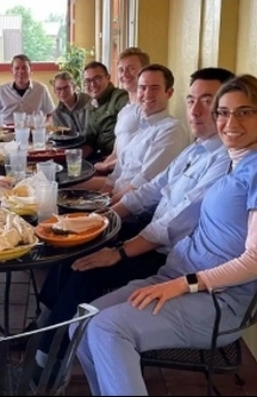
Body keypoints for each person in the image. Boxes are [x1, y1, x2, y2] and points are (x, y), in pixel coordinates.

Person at [35, 68, 235, 374]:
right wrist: (103, 217)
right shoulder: (196, 148)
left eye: (207, 101)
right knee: (73, 247)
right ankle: (47, 327)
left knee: (88, 271)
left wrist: (119, 251)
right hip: (150, 232)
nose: (195, 110)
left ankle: (47, 360)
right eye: (191, 99)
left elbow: (175, 220)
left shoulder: (225, 161)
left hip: (170, 255)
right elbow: (151, 190)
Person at [72, 73, 257, 396]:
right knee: (81, 322)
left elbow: (255, 261)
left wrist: (184, 283)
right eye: (224, 112)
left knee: (107, 328)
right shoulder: (230, 161)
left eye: (244, 112)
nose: (230, 122)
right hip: (174, 278)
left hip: (216, 299)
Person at [76, 64, 189, 204]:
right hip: (114, 196)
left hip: (133, 210)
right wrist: (98, 198)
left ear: (169, 93)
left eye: (155, 88)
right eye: (142, 87)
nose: (147, 93)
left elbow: (143, 183)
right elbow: (118, 173)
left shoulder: (171, 130)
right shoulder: (141, 126)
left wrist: (105, 205)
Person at [94, 47, 150, 174]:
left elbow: (140, 156)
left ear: (144, 72)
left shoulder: (147, 111)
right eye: (121, 70)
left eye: (131, 68)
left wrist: (106, 167)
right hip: (114, 173)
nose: (125, 74)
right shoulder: (124, 111)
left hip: (130, 177)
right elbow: (116, 153)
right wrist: (102, 166)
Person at [0, 54, 55, 125]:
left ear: (31, 70)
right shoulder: (2, 90)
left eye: (24, 68)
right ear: (12, 71)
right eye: (17, 68)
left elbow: (51, 114)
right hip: (6, 132)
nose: (21, 71)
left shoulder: (41, 89)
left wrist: (46, 125)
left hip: (32, 130)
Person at [80, 61, 129, 161]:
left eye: (97, 78)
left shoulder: (120, 98)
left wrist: (112, 160)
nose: (92, 84)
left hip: (120, 159)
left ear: (108, 77)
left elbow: (129, 134)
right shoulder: (90, 106)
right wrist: (75, 158)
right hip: (99, 157)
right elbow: (90, 141)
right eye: (88, 81)